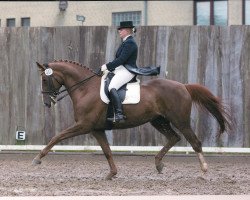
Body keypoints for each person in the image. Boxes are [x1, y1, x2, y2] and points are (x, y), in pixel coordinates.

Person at [100, 21, 160, 123]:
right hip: (121, 69)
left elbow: (121, 60)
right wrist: (107, 68)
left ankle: (119, 114)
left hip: (127, 71)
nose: (119, 31)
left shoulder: (130, 43)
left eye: (121, 29)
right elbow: (118, 60)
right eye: (119, 29)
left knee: (112, 87)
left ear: (127, 30)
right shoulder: (125, 42)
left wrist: (107, 66)